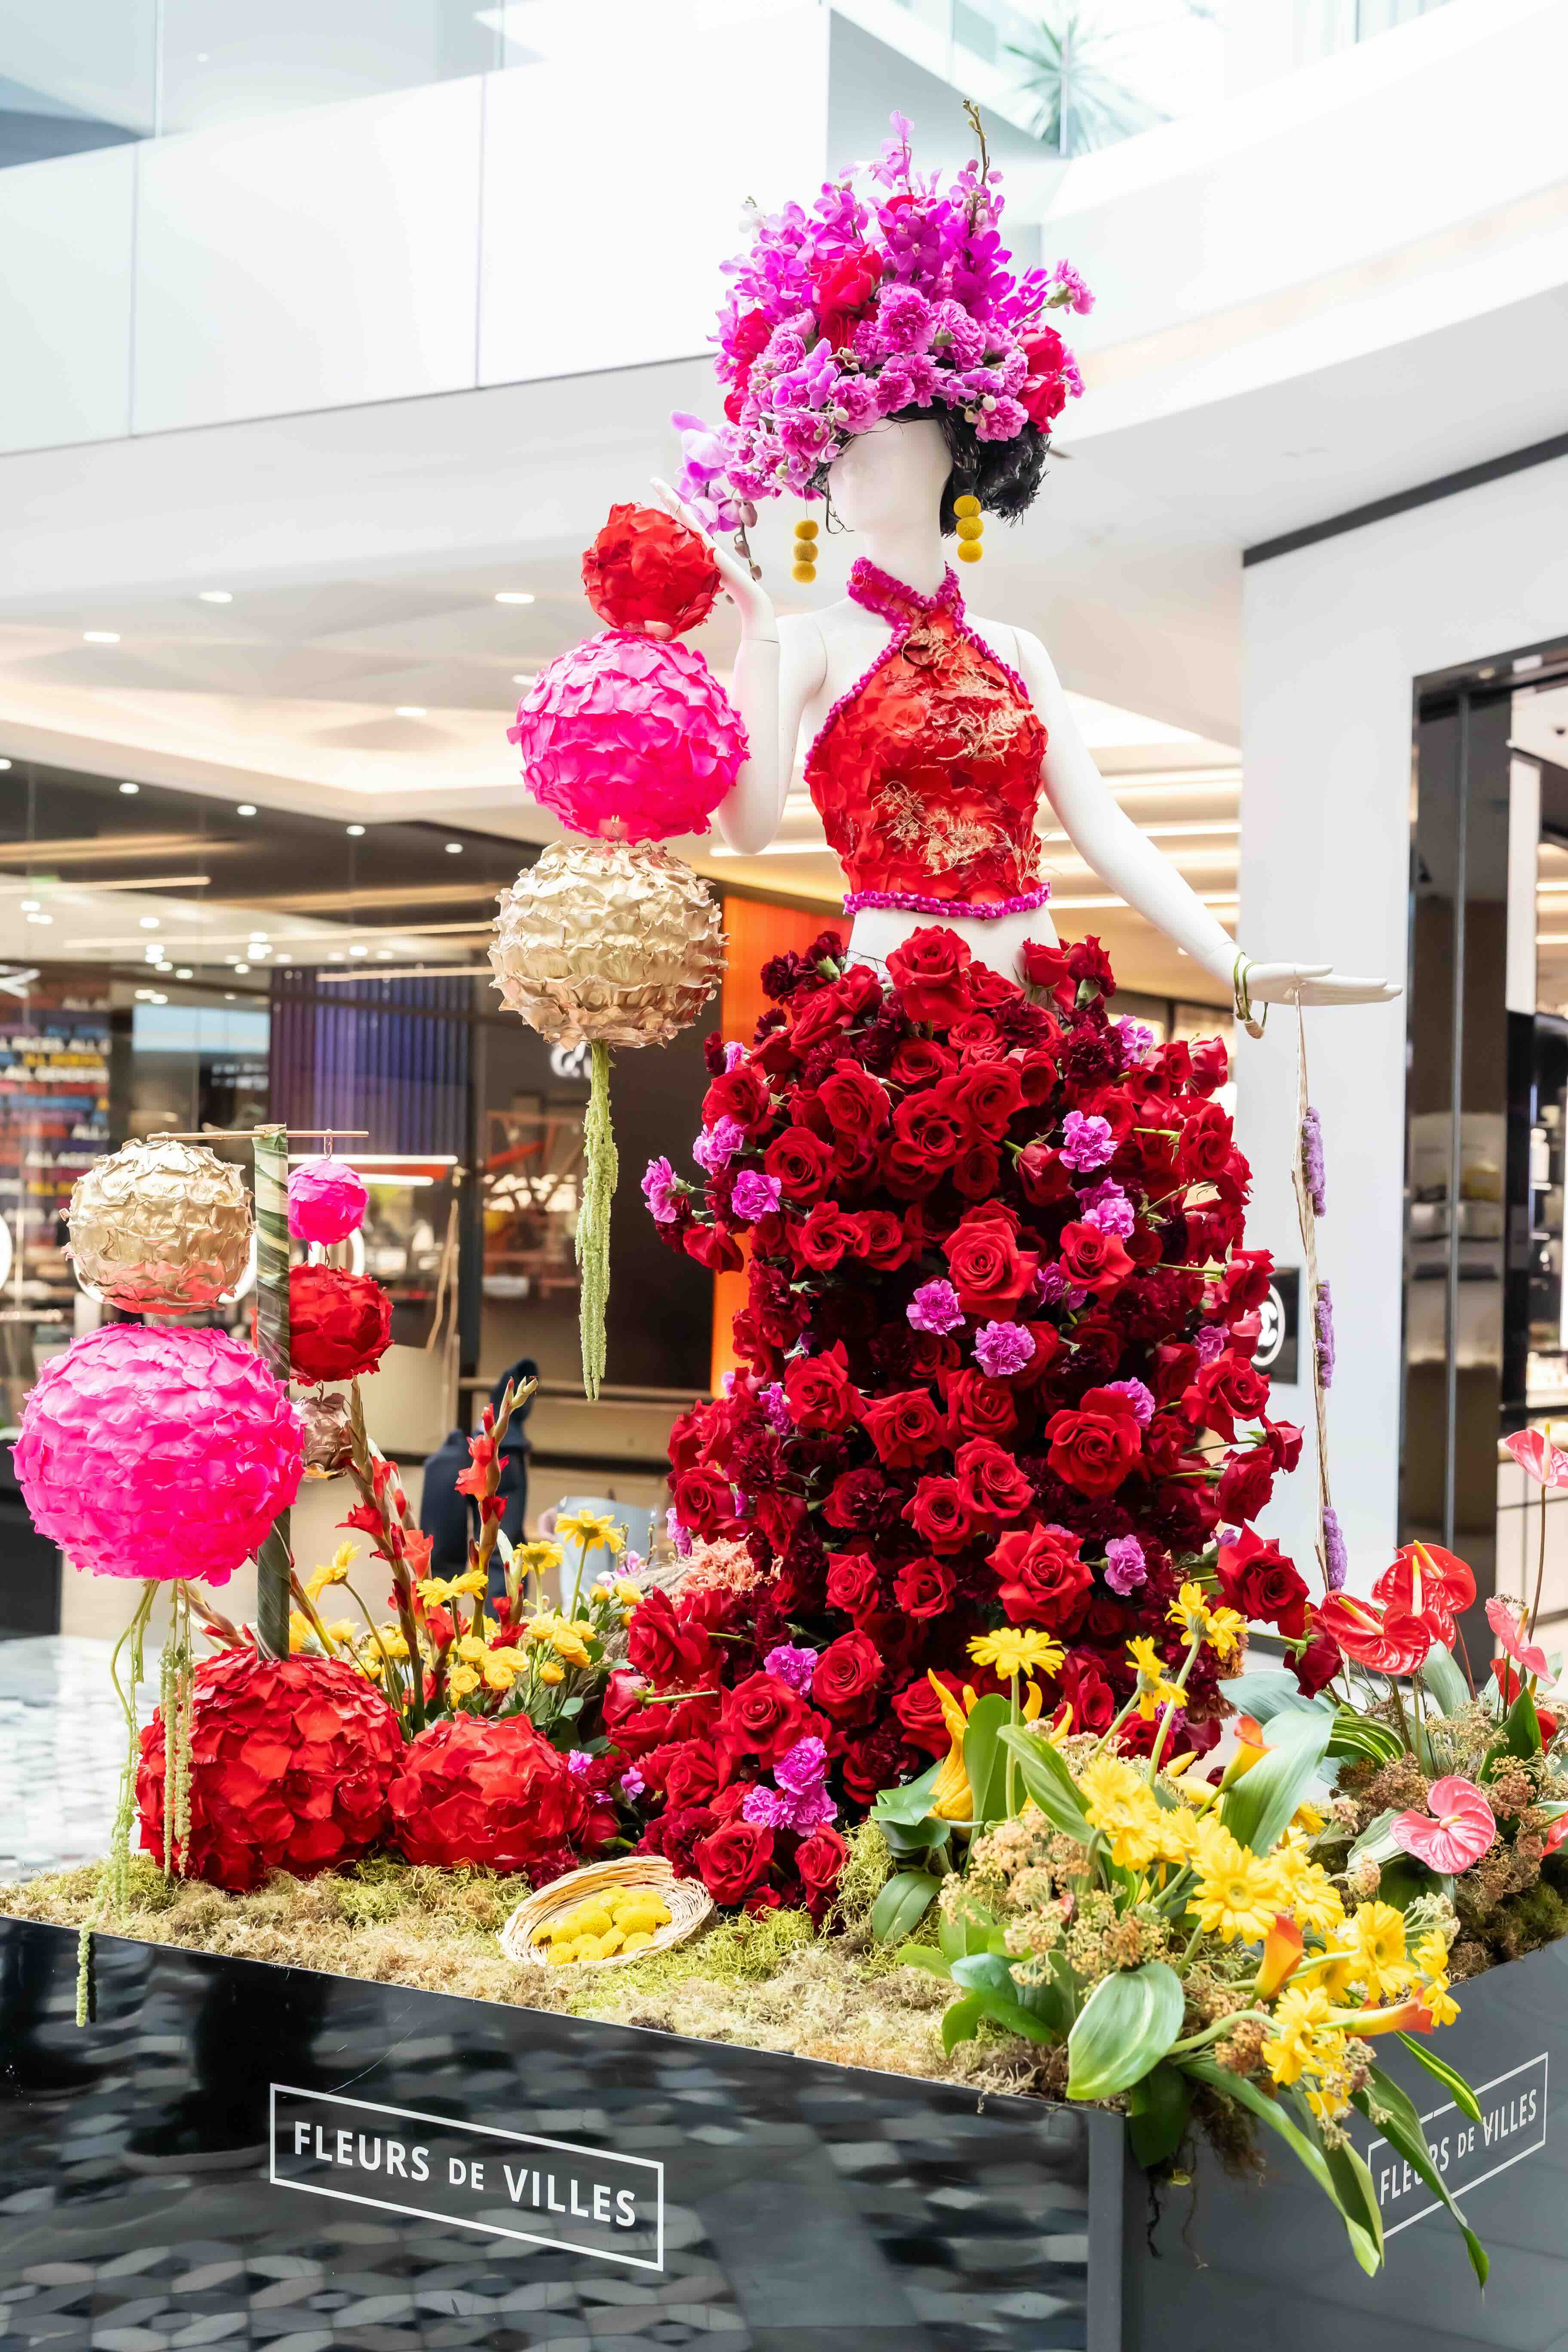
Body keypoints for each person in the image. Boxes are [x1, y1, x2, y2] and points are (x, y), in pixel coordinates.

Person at [615, 115, 1389, 1916]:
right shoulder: (814, 635)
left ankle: (1069, 1759)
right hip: (882, 1033)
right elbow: (749, 824)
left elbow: (1104, 835)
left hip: (1037, 1033)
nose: (867, 464)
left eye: (897, 433)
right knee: (881, 1379)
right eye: (844, 439)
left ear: (960, 447)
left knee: (1071, 1369)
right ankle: (871, 1755)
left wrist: (1240, 961)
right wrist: (736, 642)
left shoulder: (1023, 655)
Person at [417, 1357, 538, 1596]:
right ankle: (497, 1614)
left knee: (447, 1558)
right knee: (503, 1548)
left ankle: (441, 1607)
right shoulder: (505, 1446)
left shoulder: (450, 1457)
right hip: (497, 1454)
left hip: (477, 1455)